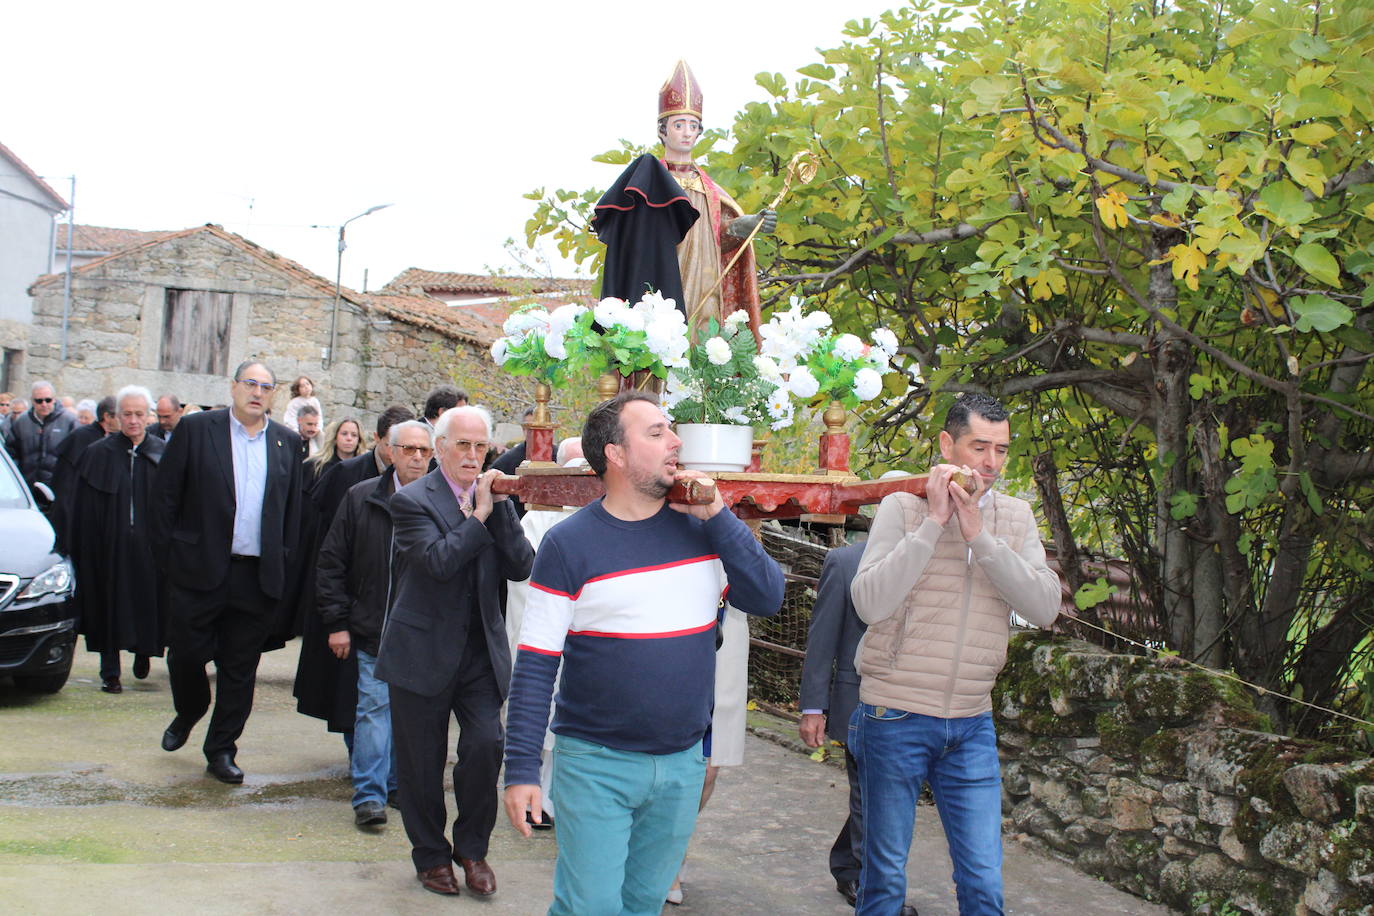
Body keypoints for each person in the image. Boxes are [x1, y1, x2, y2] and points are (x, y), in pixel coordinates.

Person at [503, 392, 785, 916]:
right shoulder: (568, 545)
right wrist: (520, 770)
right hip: (594, 764)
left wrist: (719, 514)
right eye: (656, 433)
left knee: (644, 906)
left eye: (670, 430)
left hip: (681, 766)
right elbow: (537, 666)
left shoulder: (704, 530)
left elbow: (767, 598)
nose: (676, 441)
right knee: (589, 908)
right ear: (614, 453)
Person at [849, 394, 1062, 915]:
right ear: (948, 444)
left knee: (984, 881)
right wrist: (933, 525)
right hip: (893, 714)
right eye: (979, 446)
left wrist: (981, 539)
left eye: (1002, 450)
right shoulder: (902, 507)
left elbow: (1045, 607)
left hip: (971, 721)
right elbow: (869, 602)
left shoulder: (1015, 517)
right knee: (883, 879)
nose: (990, 463)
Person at [377, 405, 533, 898]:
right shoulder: (412, 500)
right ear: (439, 447)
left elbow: (521, 566)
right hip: (421, 649)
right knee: (421, 762)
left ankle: (472, 849)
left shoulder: (496, 496)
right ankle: (430, 855)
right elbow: (437, 563)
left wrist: (500, 509)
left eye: (480, 446)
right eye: (462, 445)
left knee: (486, 746)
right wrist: (479, 516)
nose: (472, 455)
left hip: (478, 652)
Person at [152, 360, 304, 785]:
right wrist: (171, 561)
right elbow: (164, 499)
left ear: (274, 395)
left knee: (240, 669)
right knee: (185, 653)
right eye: (250, 384)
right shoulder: (197, 430)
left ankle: (221, 749)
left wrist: (284, 562)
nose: (257, 392)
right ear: (233, 387)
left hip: (255, 576)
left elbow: (292, 512)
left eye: (266, 386)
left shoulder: (286, 443)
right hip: (198, 570)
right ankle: (190, 708)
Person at [593, 61, 774, 335]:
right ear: (662, 130)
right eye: (679, 125)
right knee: (663, 344)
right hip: (662, 280)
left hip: (704, 285)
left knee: (704, 350)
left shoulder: (709, 189)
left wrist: (746, 224)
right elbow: (632, 245)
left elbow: (718, 236)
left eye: (693, 125)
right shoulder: (647, 184)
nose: (687, 132)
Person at [316, 419, 434, 829]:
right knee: (372, 710)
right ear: (390, 450)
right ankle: (369, 795)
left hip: (420, 634)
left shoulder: (444, 502)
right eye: (409, 449)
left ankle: (396, 784)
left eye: (425, 451)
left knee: (409, 715)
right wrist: (337, 622)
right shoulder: (361, 498)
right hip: (373, 629)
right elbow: (331, 563)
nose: (417, 458)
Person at [801, 541, 923, 914]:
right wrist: (813, 707)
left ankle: (847, 864)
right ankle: (876, 893)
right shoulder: (846, 560)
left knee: (879, 798)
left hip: (920, 701)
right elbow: (822, 638)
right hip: (862, 703)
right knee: (874, 798)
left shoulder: (937, 553)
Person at [293, 406, 414, 738]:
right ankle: (362, 761)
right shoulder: (346, 476)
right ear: (377, 440)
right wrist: (334, 614)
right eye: (394, 444)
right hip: (348, 597)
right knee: (345, 690)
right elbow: (326, 546)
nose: (401, 454)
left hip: (385, 605)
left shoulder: (420, 481)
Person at [502, 435, 585, 831]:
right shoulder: (536, 519)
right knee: (541, 710)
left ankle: (556, 797)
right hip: (547, 636)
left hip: (584, 640)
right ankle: (536, 794)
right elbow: (523, 584)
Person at [70, 386, 167, 693]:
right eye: (127, 414)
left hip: (149, 548)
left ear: (148, 415)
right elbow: (83, 508)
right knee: (108, 604)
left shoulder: (162, 453)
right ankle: (110, 671)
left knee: (146, 601)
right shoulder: (98, 454)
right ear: (115, 417)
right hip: (109, 547)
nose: (134, 421)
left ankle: (143, 651)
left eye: (139, 414)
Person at [50, 395, 117, 552]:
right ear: (107, 416)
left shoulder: (113, 439)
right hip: (75, 516)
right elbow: (65, 484)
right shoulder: (81, 437)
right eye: (121, 415)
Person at [4, 380, 78, 487]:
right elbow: (11, 453)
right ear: (32, 401)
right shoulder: (21, 422)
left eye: (48, 400)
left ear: (54, 399)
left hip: (58, 486)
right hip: (27, 485)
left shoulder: (69, 421)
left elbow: (76, 456)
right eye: (39, 401)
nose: (44, 404)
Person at [304, 417, 362, 483]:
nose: (349, 438)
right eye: (344, 434)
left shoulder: (363, 469)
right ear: (335, 437)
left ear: (359, 440)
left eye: (354, 435)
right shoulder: (315, 466)